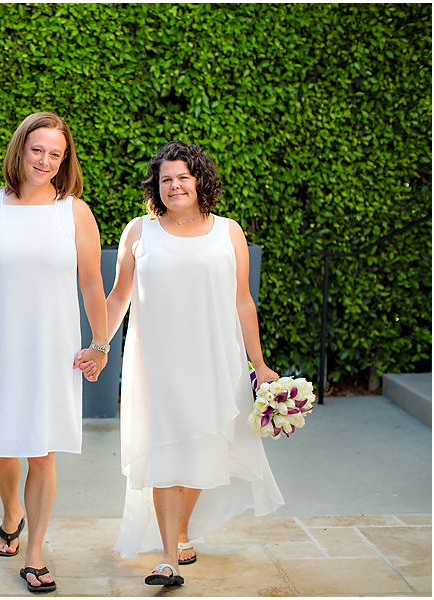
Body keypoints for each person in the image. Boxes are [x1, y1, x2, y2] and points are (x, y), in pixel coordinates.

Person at [0, 112, 109, 594]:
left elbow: (92, 283)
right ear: (20, 149)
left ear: (65, 159)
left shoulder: (75, 212)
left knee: (44, 453)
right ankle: (12, 511)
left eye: (56, 153)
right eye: (38, 150)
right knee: (0, 447)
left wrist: (100, 342)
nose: (46, 161)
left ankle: (35, 553)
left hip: (54, 350)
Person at [92, 140, 284, 587]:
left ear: (200, 181)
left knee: (201, 448)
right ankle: (166, 558)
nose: (175, 186)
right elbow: (119, 295)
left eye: (183, 177)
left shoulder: (228, 231)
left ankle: (179, 531)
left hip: (214, 359)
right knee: (165, 452)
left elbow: (242, 301)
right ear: (155, 188)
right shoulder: (138, 231)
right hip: (156, 362)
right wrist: (100, 346)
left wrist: (258, 363)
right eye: (166, 180)